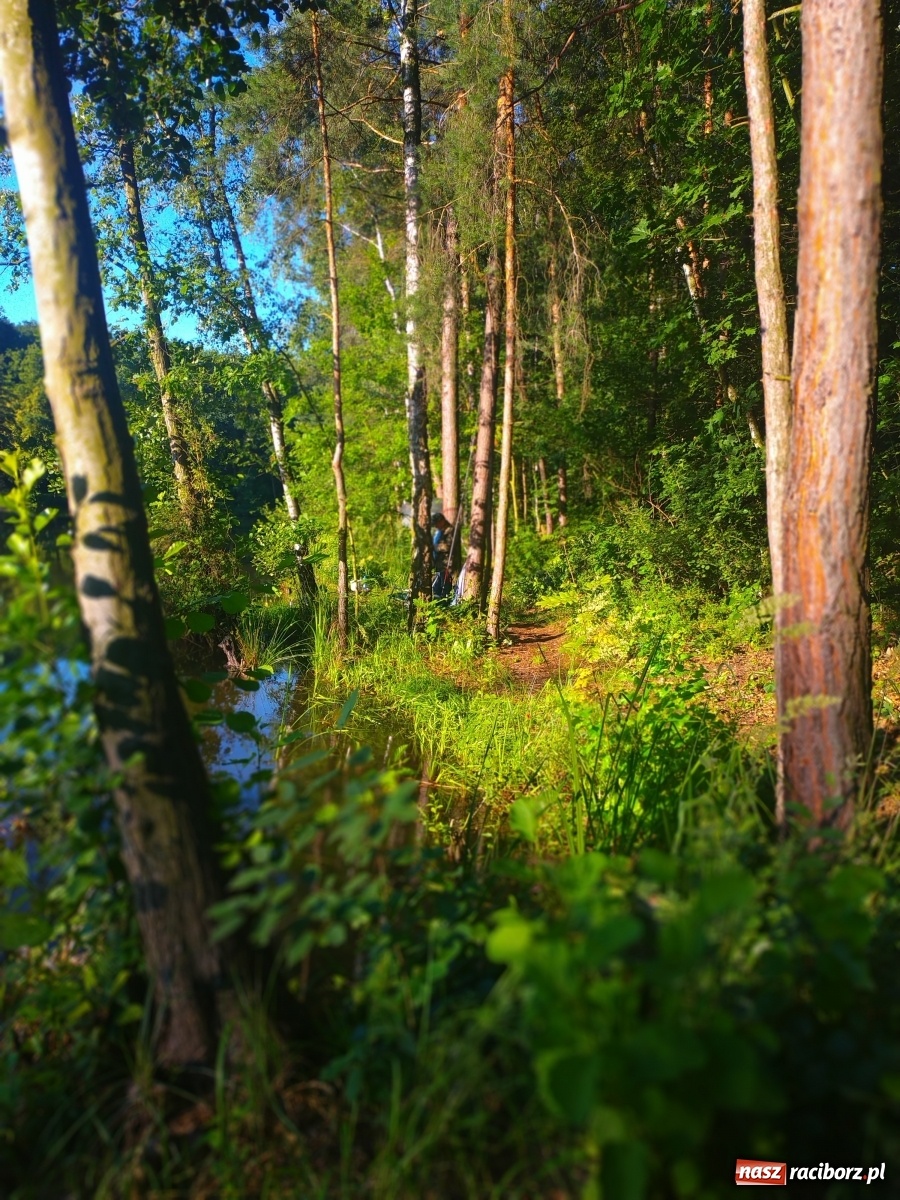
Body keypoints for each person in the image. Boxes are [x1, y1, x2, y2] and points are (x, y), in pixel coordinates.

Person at [431, 512, 454, 599]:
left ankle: (445, 601)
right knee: (437, 586)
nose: (436, 526)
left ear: (442, 521)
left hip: (447, 563)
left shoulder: (450, 531)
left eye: (436, 524)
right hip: (439, 563)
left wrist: (434, 547)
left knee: (445, 586)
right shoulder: (439, 531)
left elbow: (448, 546)